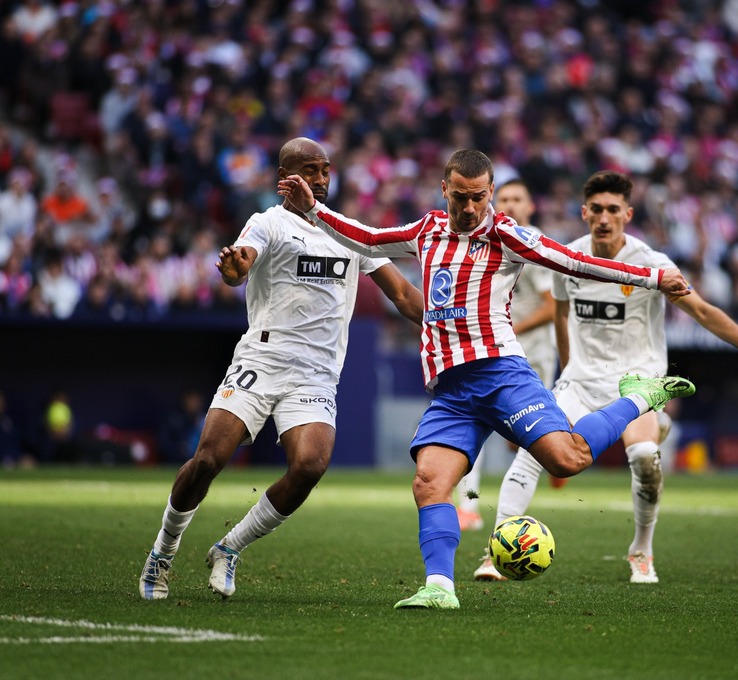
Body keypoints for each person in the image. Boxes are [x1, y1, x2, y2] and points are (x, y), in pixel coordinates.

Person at [278, 149, 698, 610]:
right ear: (445, 190)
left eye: (479, 197)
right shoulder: (427, 230)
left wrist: (653, 277)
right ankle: (440, 587)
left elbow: (572, 262)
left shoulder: (506, 234)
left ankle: (638, 399)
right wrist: (313, 210)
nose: (470, 207)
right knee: (429, 483)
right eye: (461, 197)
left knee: (567, 459)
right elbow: (369, 238)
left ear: (491, 192)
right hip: (452, 390)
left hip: (501, 374)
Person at [471, 171, 738, 583]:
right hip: (580, 381)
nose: (604, 218)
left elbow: (701, 311)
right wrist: (569, 368)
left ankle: (641, 551)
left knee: (644, 458)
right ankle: (493, 552)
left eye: (613, 210)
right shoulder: (566, 258)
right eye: (597, 209)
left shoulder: (651, 264)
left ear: (627, 214)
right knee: (530, 452)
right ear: (584, 212)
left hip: (637, 384)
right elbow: (559, 314)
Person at [138, 137, 424, 601]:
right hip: (262, 360)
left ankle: (229, 548)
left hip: (315, 373)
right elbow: (239, 266)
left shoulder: (348, 231)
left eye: (325, 170)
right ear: (284, 179)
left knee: (310, 464)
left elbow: (405, 296)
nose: (320, 179)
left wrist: (452, 326)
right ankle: (162, 553)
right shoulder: (267, 222)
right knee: (209, 458)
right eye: (309, 170)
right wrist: (232, 270)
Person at [454, 178, 557, 532]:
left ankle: (555, 457)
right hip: (496, 350)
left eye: (519, 199)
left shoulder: (532, 242)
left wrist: (511, 330)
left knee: (528, 438)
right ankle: (467, 506)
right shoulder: (488, 239)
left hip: (535, 352)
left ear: (530, 207)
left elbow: (552, 307)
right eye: (506, 198)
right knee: (475, 421)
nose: (511, 205)